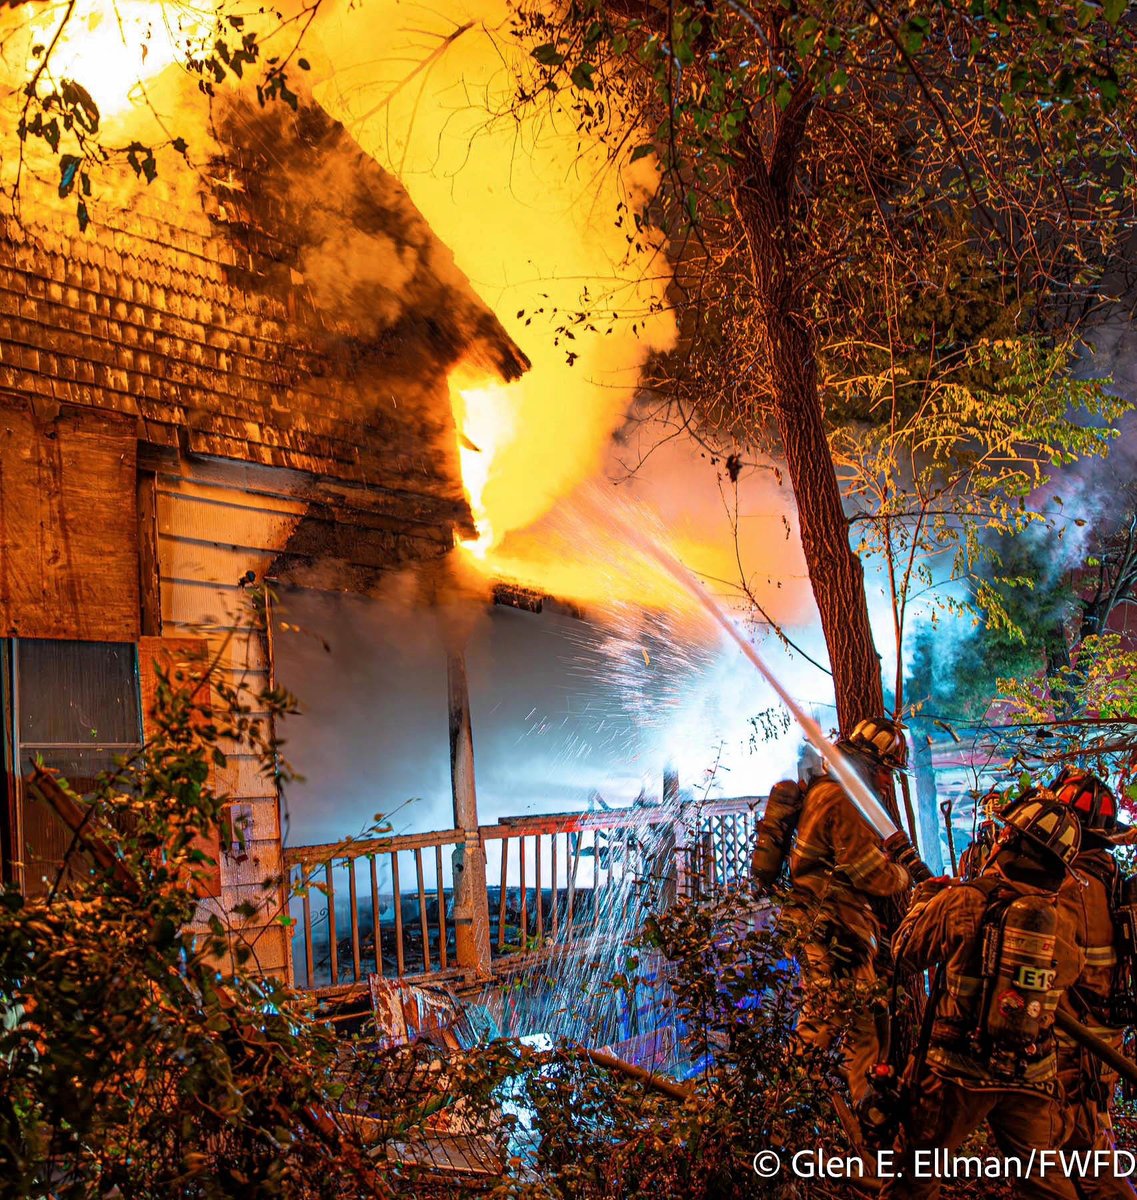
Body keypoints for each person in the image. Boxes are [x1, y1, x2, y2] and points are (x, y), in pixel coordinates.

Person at [881, 795, 1085, 1200]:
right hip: (1031, 1073)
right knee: (1046, 1185)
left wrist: (924, 901)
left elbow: (904, 954)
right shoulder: (1060, 923)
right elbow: (1070, 972)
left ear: (1009, 842)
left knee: (913, 1182)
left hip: (956, 1073)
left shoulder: (966, 900)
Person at [788, 715, 915, 1106]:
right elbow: (868, 874)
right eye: (885, 772)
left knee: (864, 1024)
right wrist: (902, 875)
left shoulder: (833, 791)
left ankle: (864, 1118)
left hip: (834, 925)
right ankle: (777, 1112)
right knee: (825, 1023)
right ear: (871, 764)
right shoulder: (843, 799)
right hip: (832, 928)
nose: (886, 782)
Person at [1052, 768, 1136, 1200]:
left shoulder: (1071, 888)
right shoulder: (1111, 880)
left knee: (1087, 1157)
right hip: (1103, 1041)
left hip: (1077, 1048)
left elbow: (1055, 969)